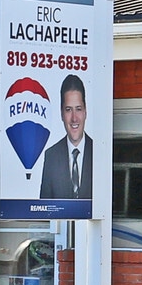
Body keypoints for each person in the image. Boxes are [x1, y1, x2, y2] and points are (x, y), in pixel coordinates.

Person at [39, 74, 94, 203]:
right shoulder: (51, 156)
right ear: (61, 113)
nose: (74, 118)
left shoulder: (98, 152)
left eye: (78, 109)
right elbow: (44, 210)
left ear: (85, 111)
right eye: (68, 110)